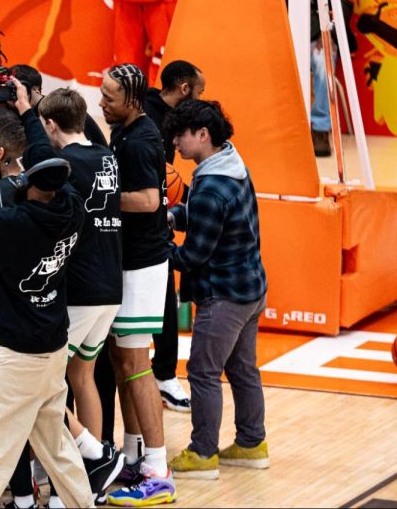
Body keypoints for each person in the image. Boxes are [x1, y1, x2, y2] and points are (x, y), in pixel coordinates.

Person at [0, 125, 95, 509]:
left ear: (29, 185)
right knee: (56, 445)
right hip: (53, 346)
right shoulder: (72, 208)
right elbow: (51, 176)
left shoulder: (15, 226)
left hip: (18, 356)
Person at [165, 99, 269, 479]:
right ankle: (251, 444)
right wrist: (174, 216)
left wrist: (156, 248)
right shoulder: (230, 161)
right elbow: (207, 214)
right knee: (243, 370)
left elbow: (192, 255)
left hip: (225, 296)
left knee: (203, 372)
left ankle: (203, 453)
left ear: (203, 135)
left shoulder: (210, 187)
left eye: (181, 135)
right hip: (252, 287)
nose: (175, 142)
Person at [37, 88, 127, 501]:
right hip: (110, 284)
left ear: (51, 124)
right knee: (82, 376)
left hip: (80, 290)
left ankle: (85, 465)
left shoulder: (65, 164)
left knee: (44, 388)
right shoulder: (106, 156)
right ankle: (98, 468)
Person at [99, 64, 176, 507]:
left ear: (132, 98)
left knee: (136, 363)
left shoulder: (144, 140)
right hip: (127, 263)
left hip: (142, 267)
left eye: (109, 96)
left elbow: (148, 200)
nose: (102, 102)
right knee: (121, 360)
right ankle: (132, 455)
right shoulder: (125, 131)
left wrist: (97, 195)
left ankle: (158, 469)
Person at [141, 58, 205, 414]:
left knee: (167, 296)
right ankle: (158, 375)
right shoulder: (147, 121)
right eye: (199, 91)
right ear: (184, 89)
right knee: (160, 294)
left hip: (157, 215)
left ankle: (163, 375)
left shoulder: (168, 115)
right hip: (138, 221)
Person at [14, 63, 109, 147]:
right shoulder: (21, 112)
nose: (16, 95)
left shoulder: (59, 107)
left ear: (36, 89)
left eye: (19, 89)